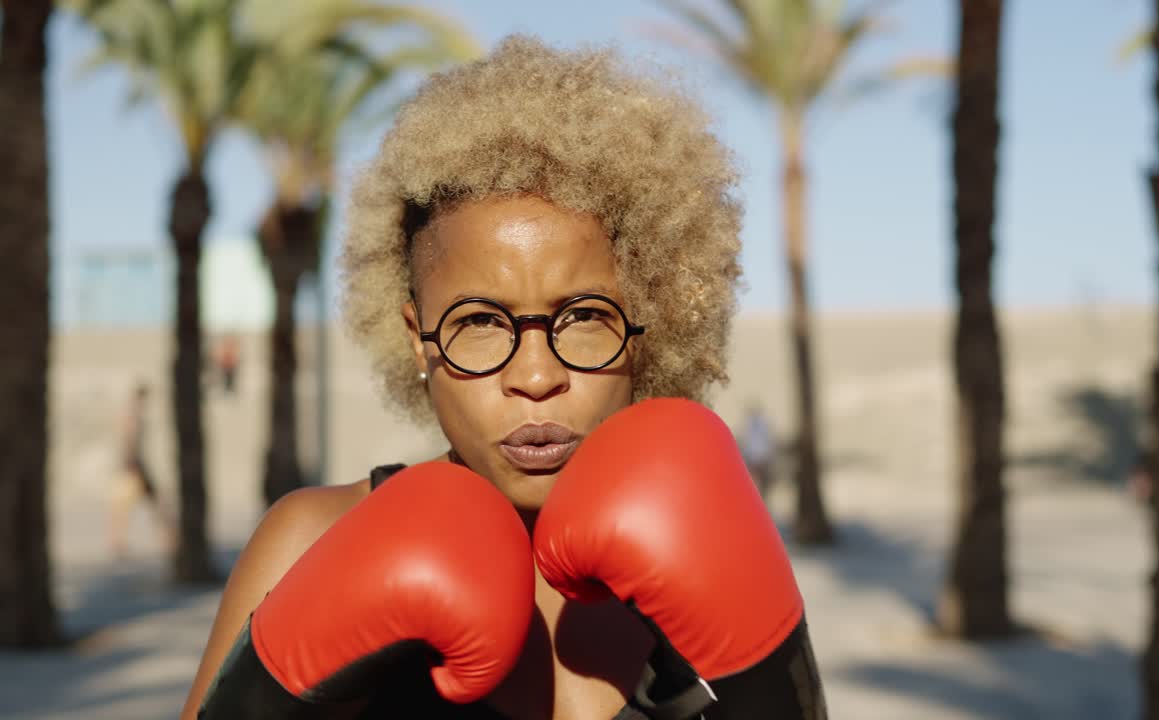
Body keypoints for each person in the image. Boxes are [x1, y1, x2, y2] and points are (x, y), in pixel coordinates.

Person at [184, 36, 826, 720]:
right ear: (416, 337)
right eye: (481, 323)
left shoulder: (713, 551)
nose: (536, 375)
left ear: (650, 319)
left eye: (582, 315)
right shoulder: (311, 541)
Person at [108, 381, 174, 558]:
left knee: (138, 505)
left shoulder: (131, 414)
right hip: (133, 466)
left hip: (134, 465)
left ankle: (166, 540)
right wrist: (131, 464)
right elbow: (128, 441)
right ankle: (118, 542)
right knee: (125, 506)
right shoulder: (131, 415)